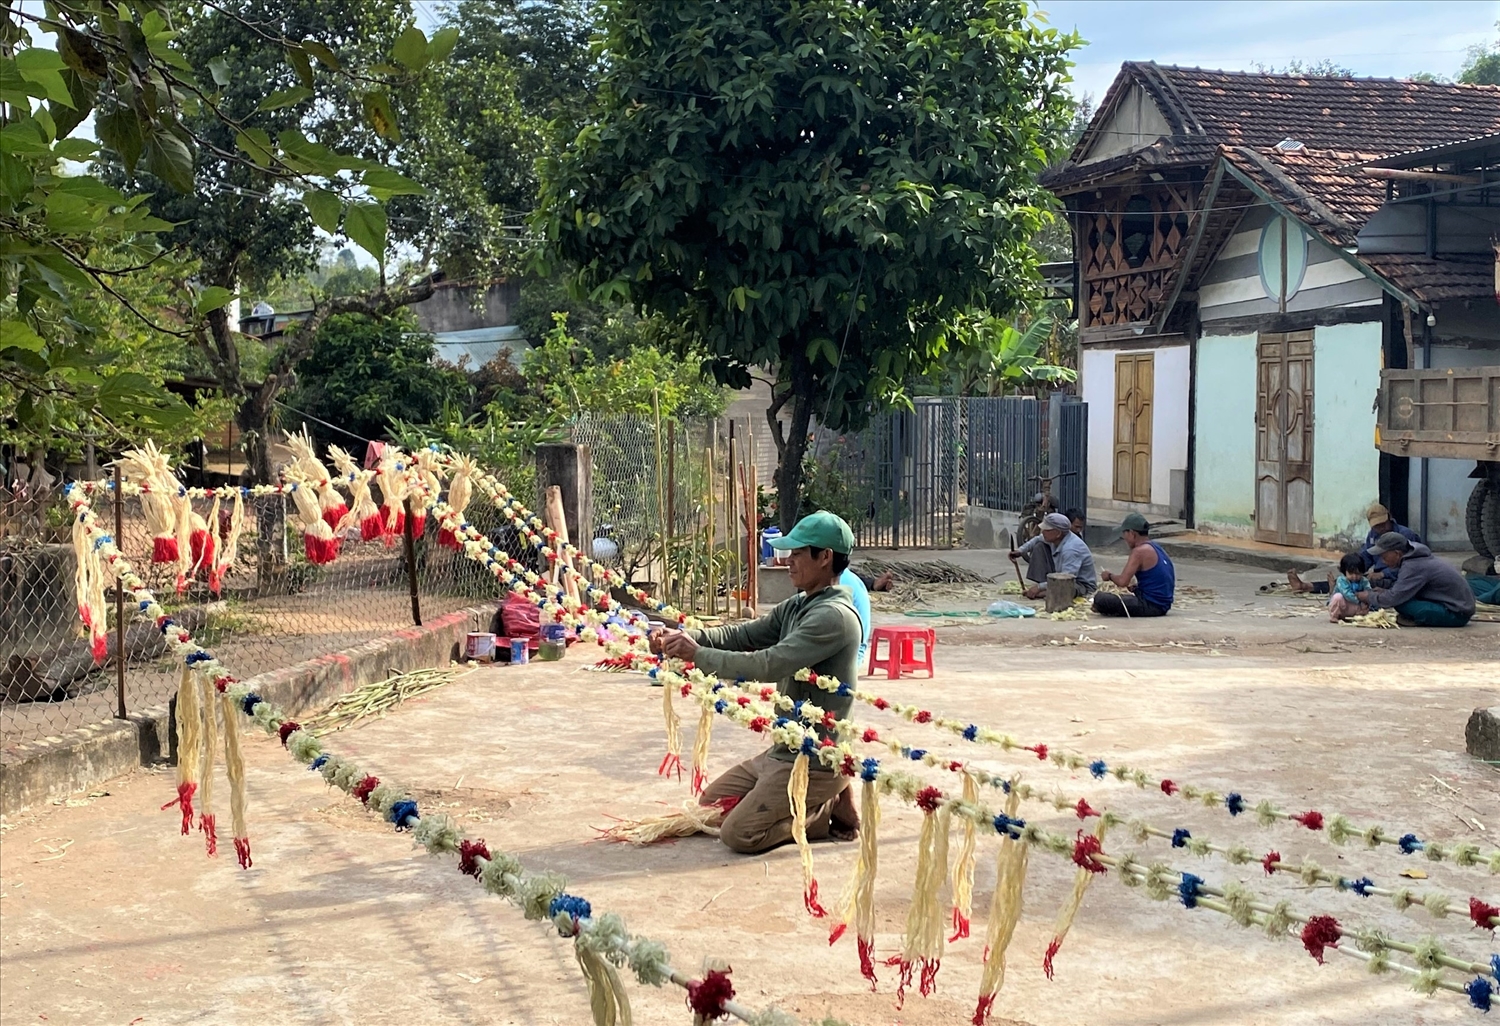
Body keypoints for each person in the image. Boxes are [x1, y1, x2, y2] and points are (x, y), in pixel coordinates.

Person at [654, 510, 863, 854]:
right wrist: (686, 638)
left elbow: (767, 664)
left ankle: (822, 811)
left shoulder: (833, 618)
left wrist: (697, 655)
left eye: (798, 554)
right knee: (711, 807)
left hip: (816, 758)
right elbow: (743, 635)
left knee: (738, 835)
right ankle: (825, 798)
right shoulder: (798, 606)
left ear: (825, 558)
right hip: (784, 750)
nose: (789, 561)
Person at [1289, 503, 1422, 594]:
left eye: (1383, 524)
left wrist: (1384, 574)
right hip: (1378, 575)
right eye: (1376, 526)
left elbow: (1412, 566)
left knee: (1368, 584)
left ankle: (1314, 587)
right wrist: (1352, 566)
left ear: (1389, 517)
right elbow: (1366, 557)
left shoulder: (1405, 535)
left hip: (1397, 577)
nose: (1380, 528)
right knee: (1349, 578)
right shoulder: (1373, 535)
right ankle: (1307, 586)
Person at [1367, 532, 1474, 627]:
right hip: (1456, 607)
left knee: (1401, 604)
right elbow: (1401, 586)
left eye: (1384, 557)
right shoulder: (1415, 558)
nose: (1382, 560)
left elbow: (1395, 598)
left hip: (1457, 614)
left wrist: (1369, 596)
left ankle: (1422, 619)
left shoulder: (1413, 565)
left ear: (1397, 553)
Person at [1093, 512, 1175, 617]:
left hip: (1152, 605)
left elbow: (1123, 581)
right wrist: (1136, 588)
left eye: (1125, 534)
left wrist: (1109, 576)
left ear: (1132, 533)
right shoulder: (1155, 546)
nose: (1124, 538)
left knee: (1100, 598)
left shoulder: (1139, 551)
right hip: (1164, 604)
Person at [1009, 512, 1097, 600]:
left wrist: (1039, 587)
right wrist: (1020, 551)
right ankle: (1046, 588)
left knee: (1064, 589)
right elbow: (1037, 539)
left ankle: (1046, 591)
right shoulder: (1057, 538)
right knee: (1039, 546)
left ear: (1058, 533)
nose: (1042, 532)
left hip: (1081, 585)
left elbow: (1066, 578)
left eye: (1046, 530)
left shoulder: (1071, 549)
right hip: (1061, 575)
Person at [1326, 553, 1373, 623]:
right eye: (1351, 573)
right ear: (1344, 571)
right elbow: (1347, 593)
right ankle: (1334, 616)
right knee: (1338, 597)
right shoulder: (1341, 580)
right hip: (1343, 606)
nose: (1354, 576)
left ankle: (1358, 616)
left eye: (1357, 573)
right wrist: (1359, 601)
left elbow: (1368, 591)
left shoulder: (1364, 581)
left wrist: (1366, 602)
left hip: (1356, 608)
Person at [840, 566, 872, 667]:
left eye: (797, 555)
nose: (789, 561)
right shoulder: (847, 577)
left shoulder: (839, 583)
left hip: (850, 655)